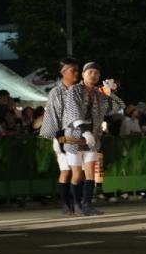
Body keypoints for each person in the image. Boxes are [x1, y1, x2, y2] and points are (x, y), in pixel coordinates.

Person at [63, 62, 124, 216]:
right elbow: (73, 112)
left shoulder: (99, 94)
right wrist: (84, 131)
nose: (94, 75)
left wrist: (111, 92)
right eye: (90, 72)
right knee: (77, 175)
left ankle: (87, 204)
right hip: (75, 137)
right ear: (83, 74)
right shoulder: (74, 90)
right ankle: (76, 204)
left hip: (93, 138)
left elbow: (118, 107)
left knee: (90, 173)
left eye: (96, 72)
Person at [39, 58, 79, 215]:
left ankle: (77, 203)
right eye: (72, 70)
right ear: (63, 72)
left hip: (78, 135)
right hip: (62, 135)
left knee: (79, 171)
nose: (76, 73)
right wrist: (59, 138)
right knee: (66, 170)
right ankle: (66, 204)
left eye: (77, 70)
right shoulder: (56, 92)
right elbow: (53, 116)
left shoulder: (79, 90)